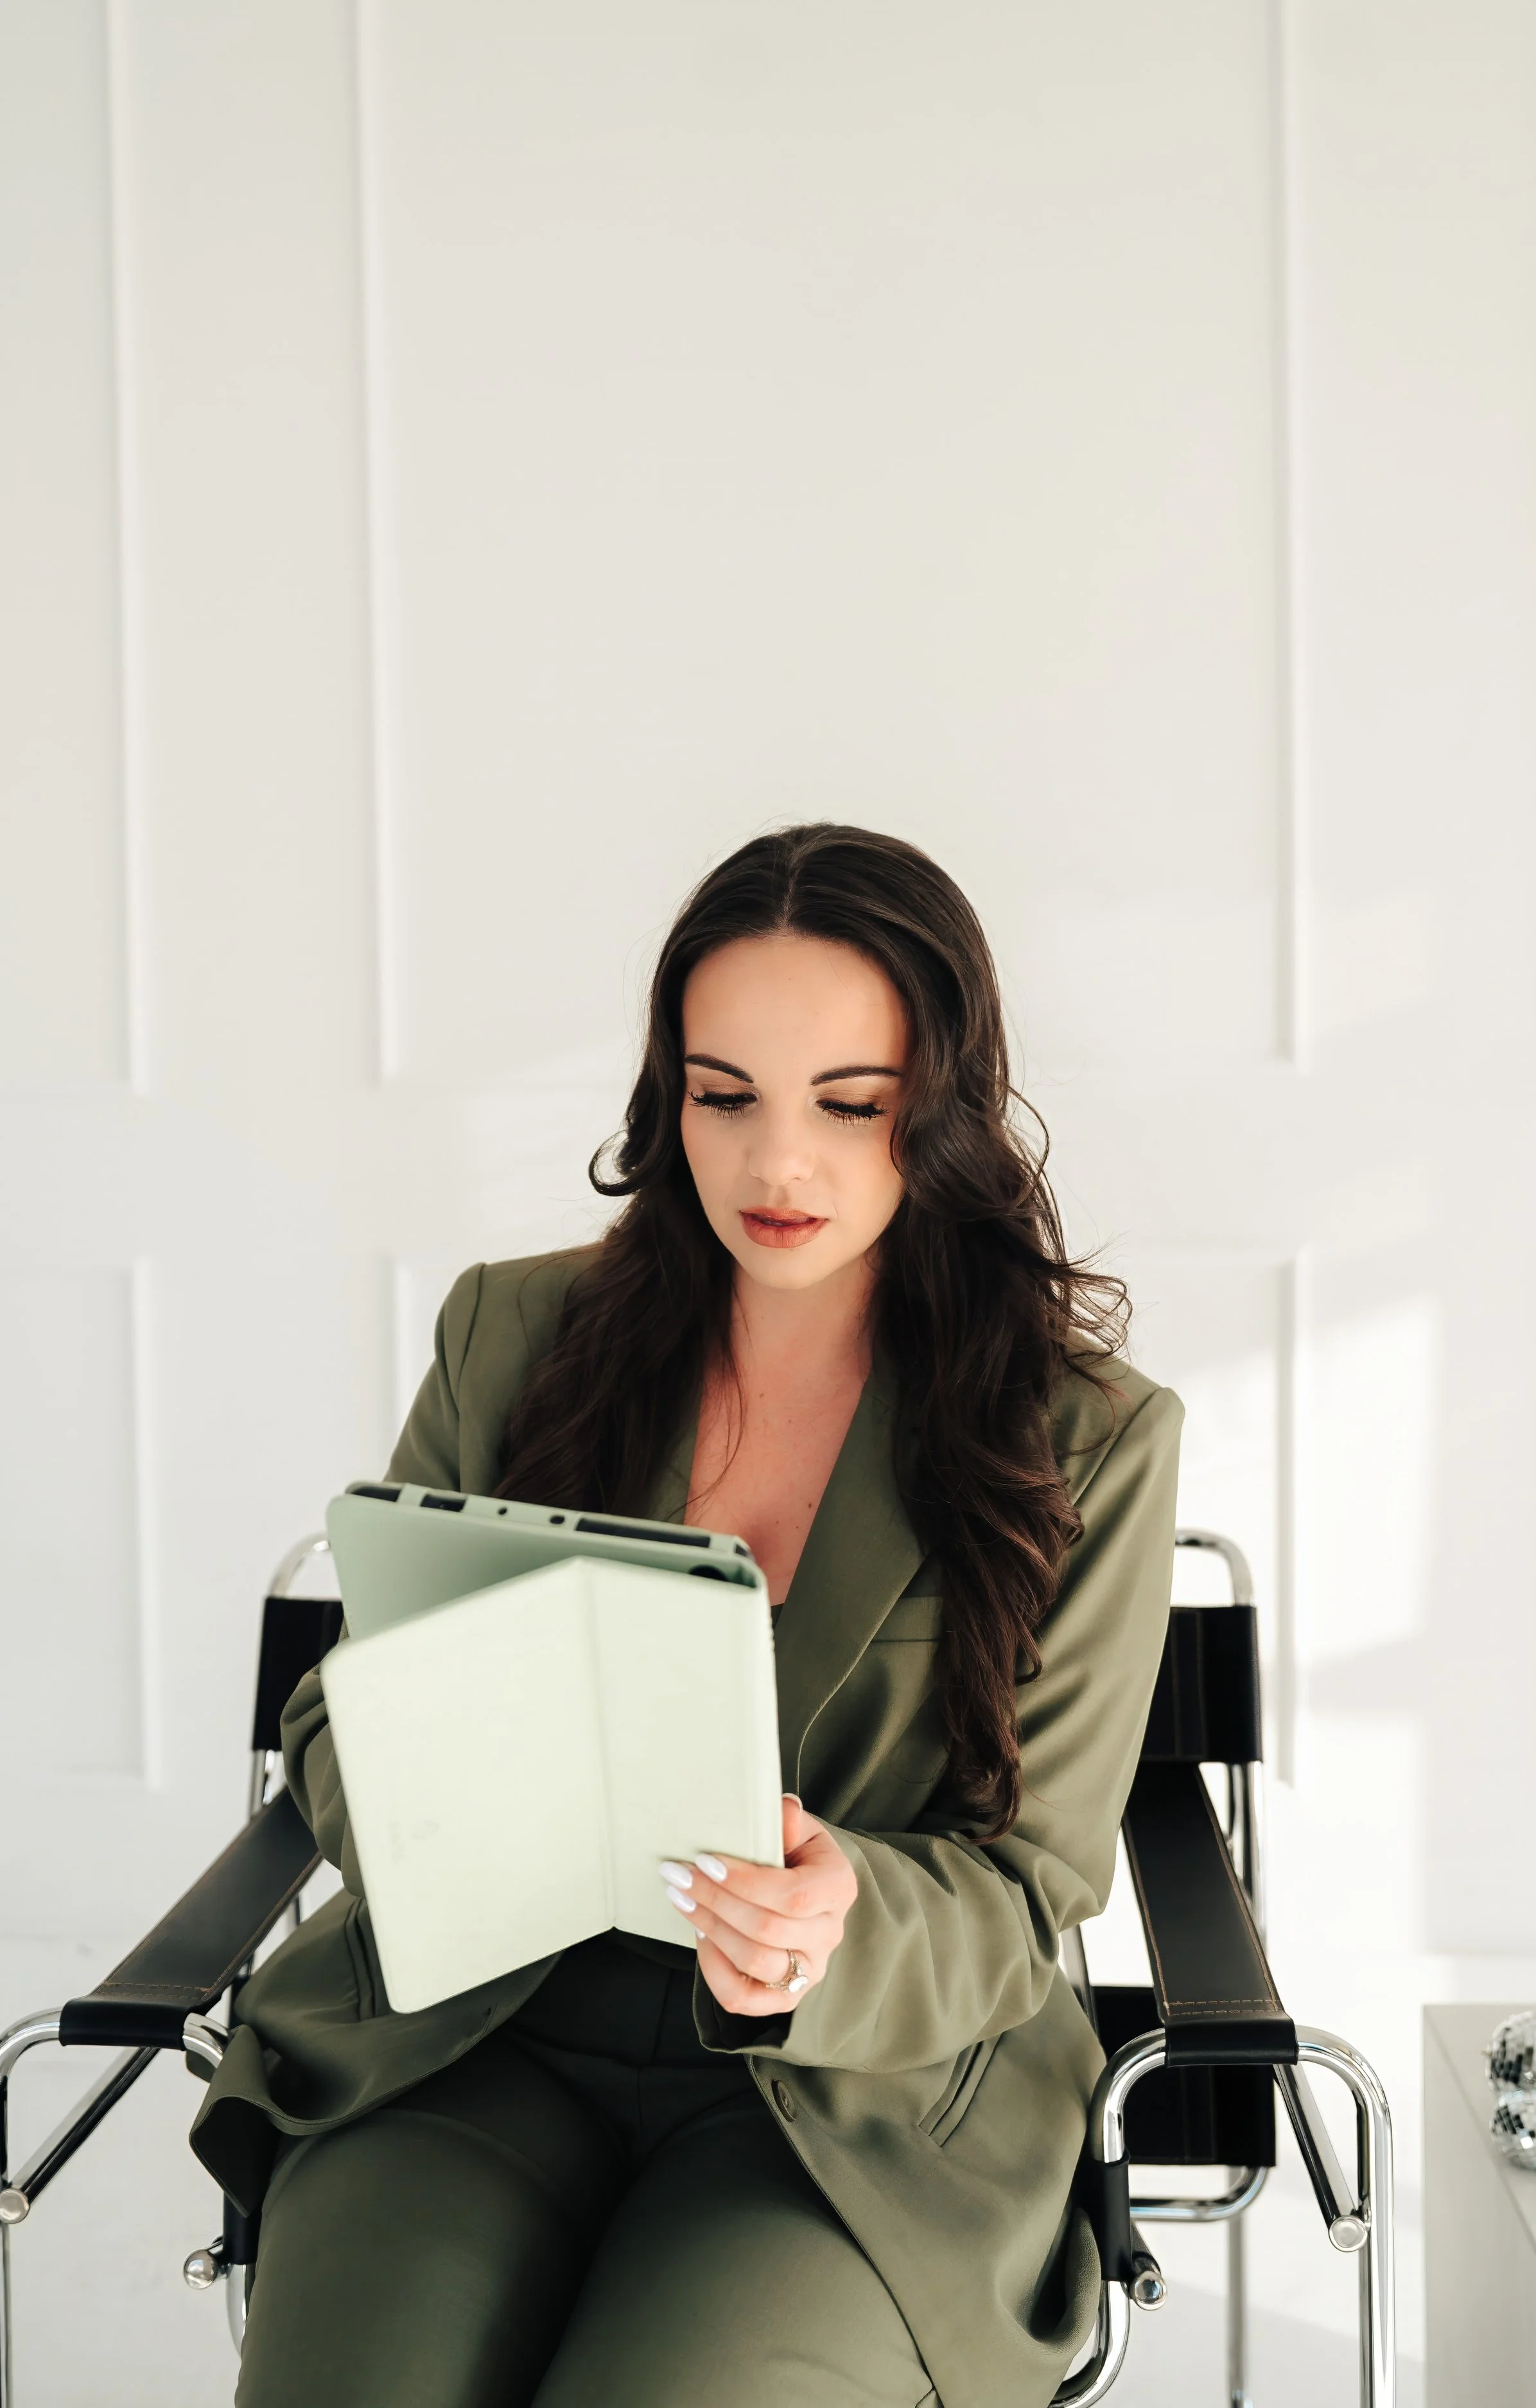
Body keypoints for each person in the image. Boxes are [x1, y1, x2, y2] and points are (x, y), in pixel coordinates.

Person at [191, 823, 1183, 2408]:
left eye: (849, 1105)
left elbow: (1030, 1883)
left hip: (857, 2102)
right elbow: (339, 1706)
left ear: (942, 1107)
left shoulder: (1082, 1433)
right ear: (670, 1095)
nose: (776, 1166)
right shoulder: (513, 1332)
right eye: (724, 1097)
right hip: (477, 2037)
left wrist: (844, 1912)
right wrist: (438, 1815)